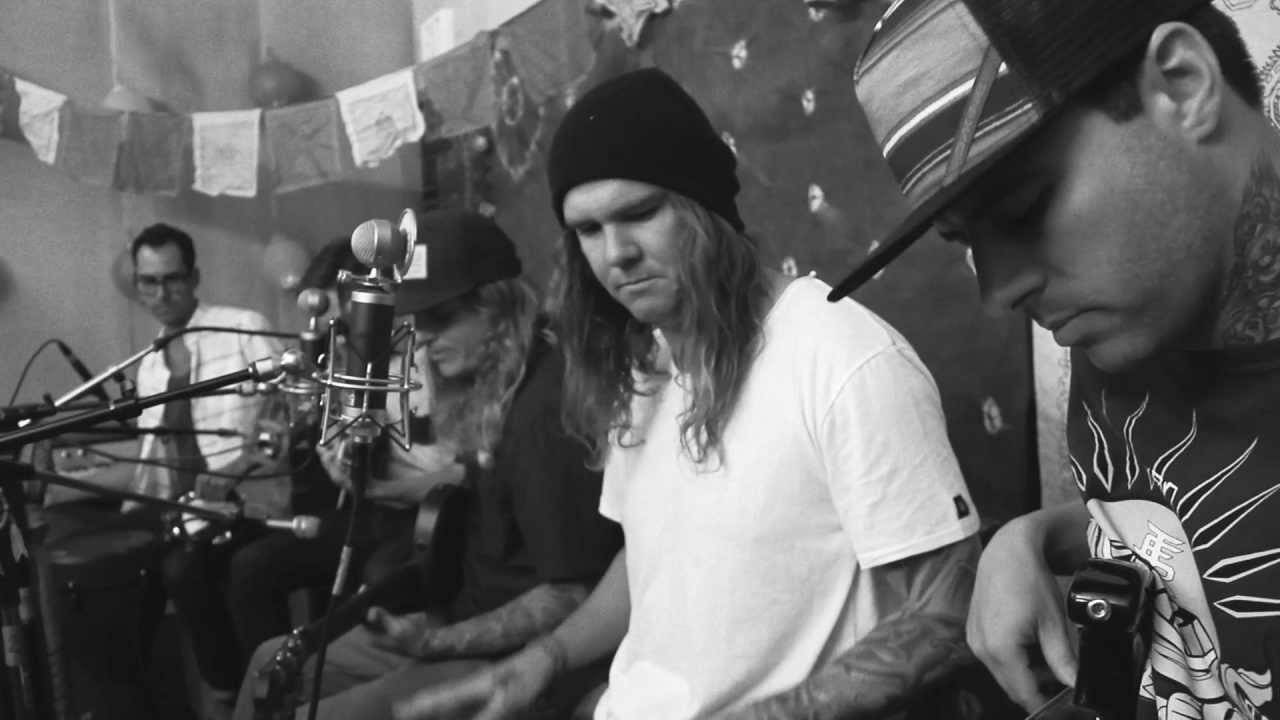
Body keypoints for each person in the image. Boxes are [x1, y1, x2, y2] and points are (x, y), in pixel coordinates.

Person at [396, 68, 981, 720]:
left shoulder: (843, 356)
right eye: (587, 230)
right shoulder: (645, 366)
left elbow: (945, 616)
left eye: (639, 213)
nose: (615, 254)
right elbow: (649, 563)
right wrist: (545, 659)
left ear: (705, 207)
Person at [825, 1, 1280, 717]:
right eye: (967, 242)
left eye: (1023, 210)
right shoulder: (1133, 318)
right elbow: (1201, 511)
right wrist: (1034, 538)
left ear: (1183, 84)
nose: (999, 291)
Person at [229, 208, 623, 720]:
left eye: (443, 318)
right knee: (269, 663)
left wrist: (438, 642)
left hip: (510, 654)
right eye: (416, 323)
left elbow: (571, 592)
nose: (425, 340)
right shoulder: (492, 387)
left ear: (500, 307)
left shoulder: (543, 413)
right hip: (454, 618)